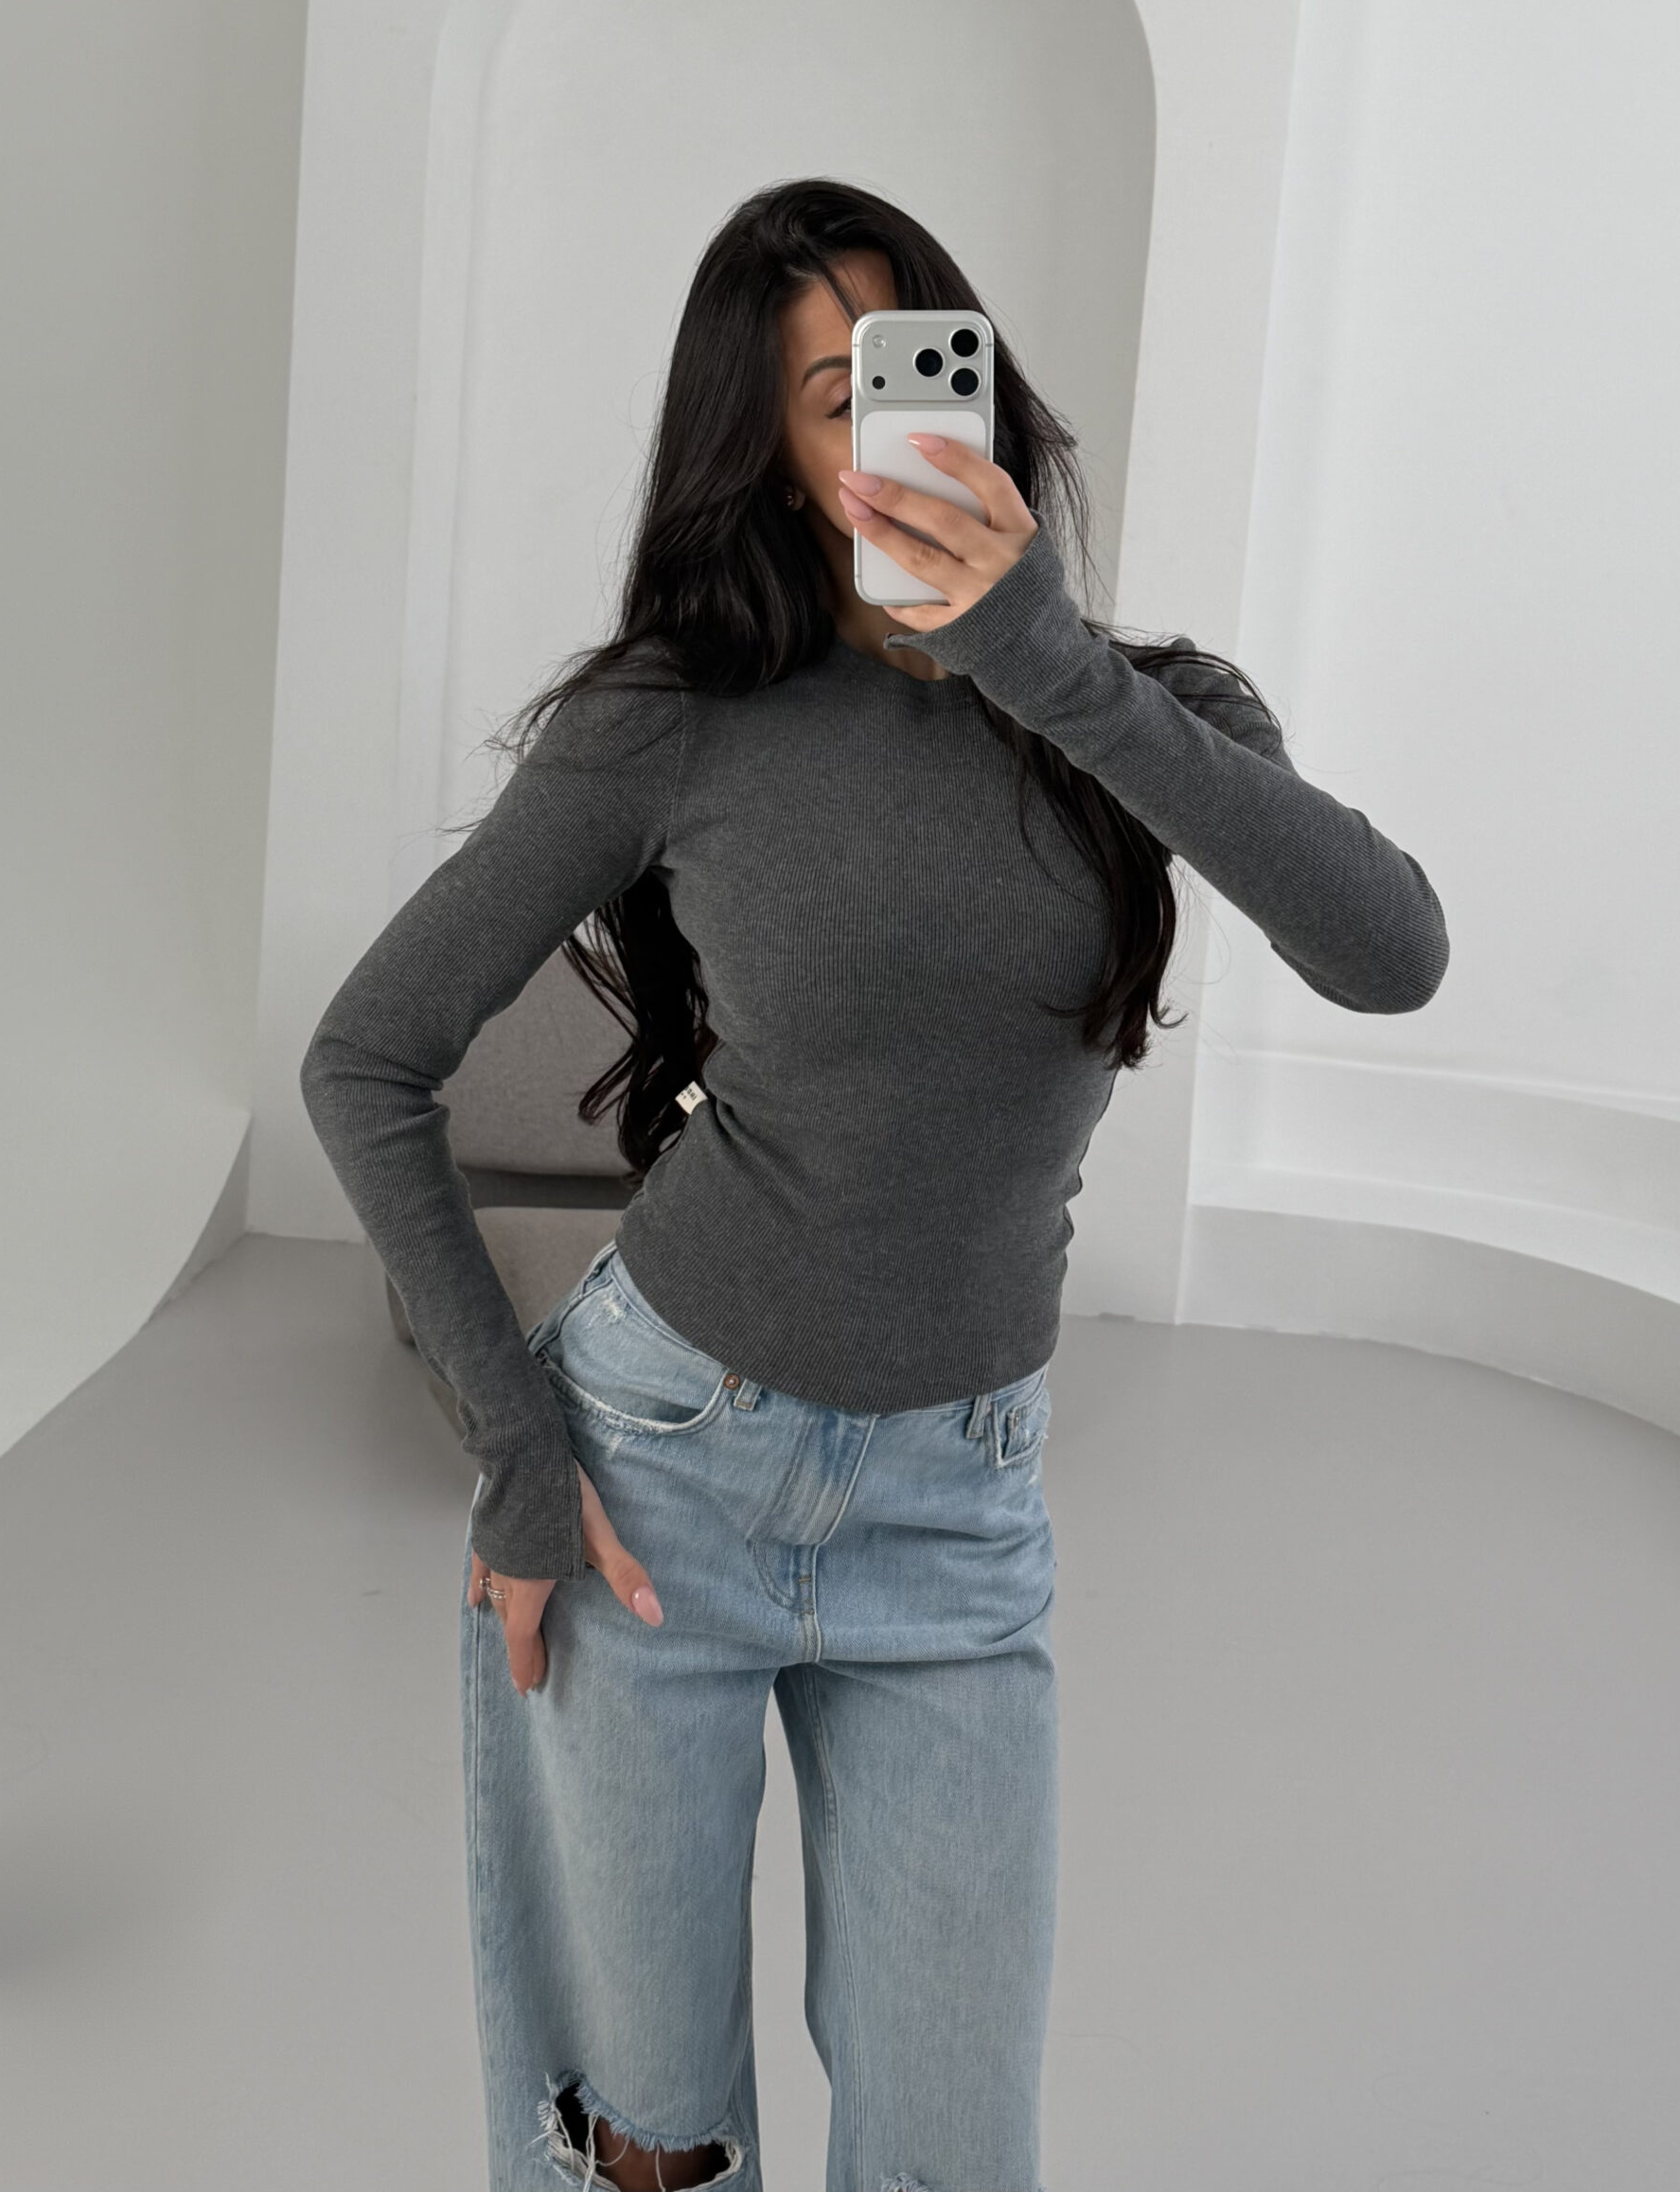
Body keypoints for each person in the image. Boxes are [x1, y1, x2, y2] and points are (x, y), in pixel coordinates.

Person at [299, 177, 1449, 2192]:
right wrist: (514, 1451)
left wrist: (1044, 661)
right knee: (650, 2142)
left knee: (952, 2149)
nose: (916, 422)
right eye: (844, 397)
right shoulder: (675, 720)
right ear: (773, 455)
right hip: (663, 1475)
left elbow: (1392, 951)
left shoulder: (1146, 709)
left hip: (959, 1516)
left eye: (936, 363)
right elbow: (365, 1057)